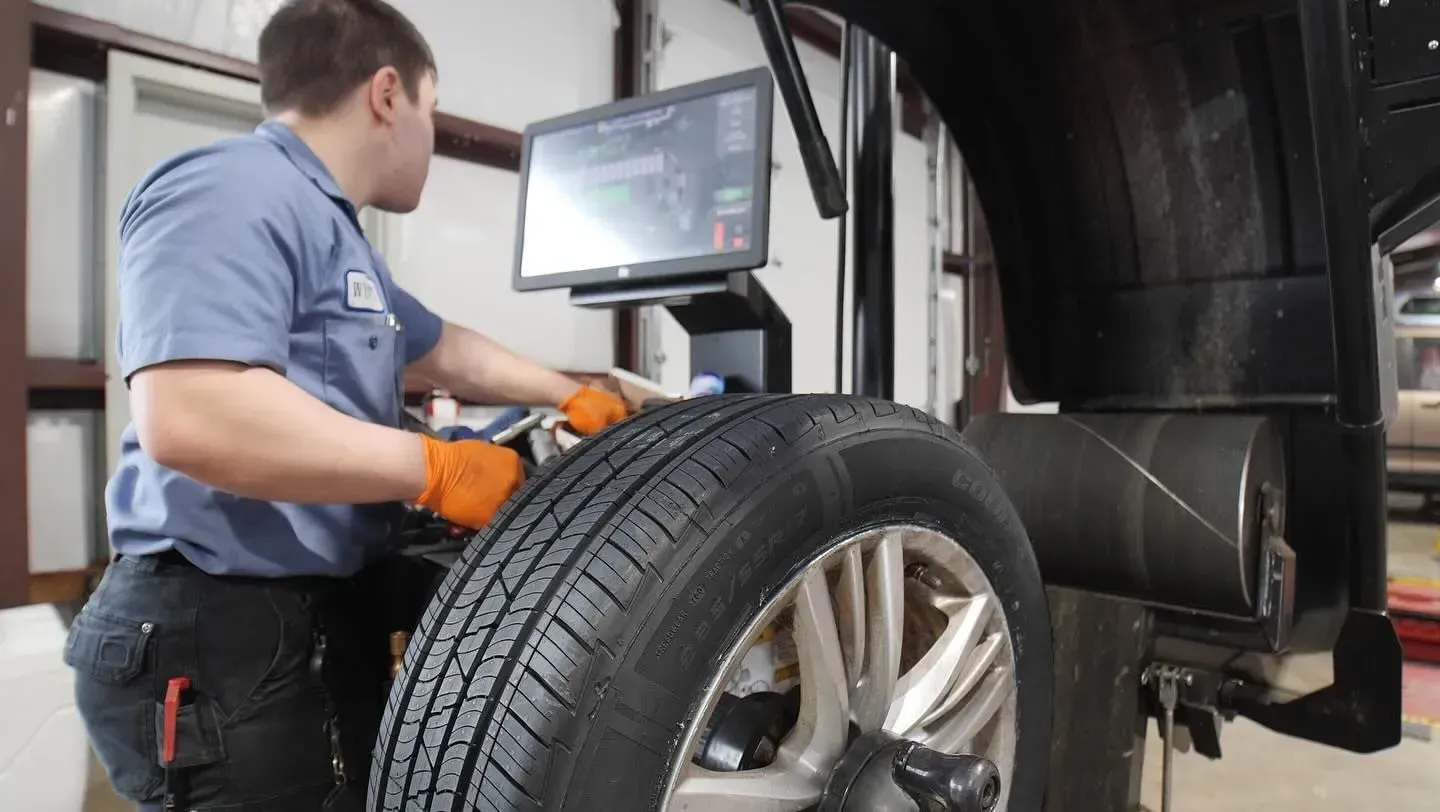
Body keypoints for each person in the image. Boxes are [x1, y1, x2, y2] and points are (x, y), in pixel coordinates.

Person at [61, 1, 630, 809]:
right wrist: (430, 466)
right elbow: (192, 413)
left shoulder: (337, 235)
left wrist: (567, 393)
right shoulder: (231, 187)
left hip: (297, 621)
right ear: (388, 94)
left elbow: (438, 347)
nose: (433, 138)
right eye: (432, 110)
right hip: (217, 629)